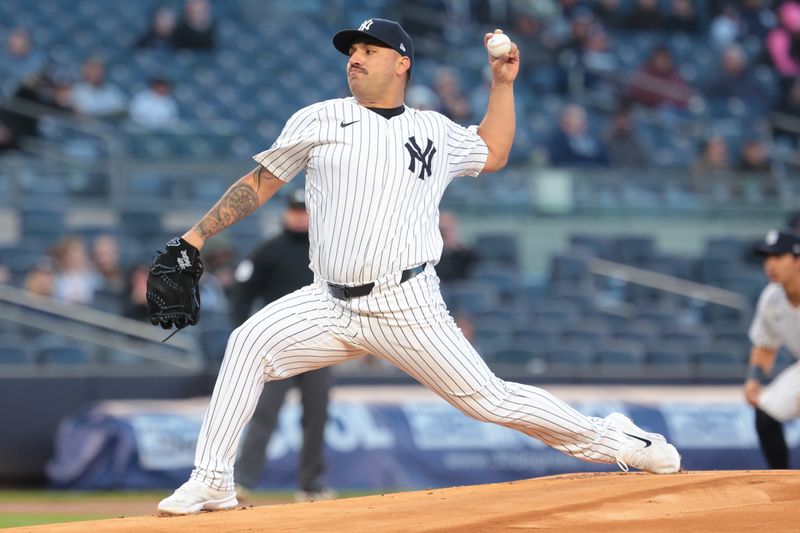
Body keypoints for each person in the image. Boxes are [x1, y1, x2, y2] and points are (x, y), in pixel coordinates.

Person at [154, 18, 680, 516]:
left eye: (368, 51)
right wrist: (195, 238)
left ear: (402, 63)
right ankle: (213, 479)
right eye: (351, 53)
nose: (354, 59)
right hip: (328, 300)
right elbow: (260, 182)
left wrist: (502, 84)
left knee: (491, 401)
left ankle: (618, 439)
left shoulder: (433, 130)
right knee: (248, 345)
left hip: (407, 304)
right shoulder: (318, 119)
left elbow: (493, 152)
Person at [231, 189, 334, 502]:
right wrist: (242, 335)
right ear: (286, 213)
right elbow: (242, 295)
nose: (300, 216)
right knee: (264, 415)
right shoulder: (268, 251)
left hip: (320, 343)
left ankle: (311, 485)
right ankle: (242, 482)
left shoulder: (326, 250)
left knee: (316, 417)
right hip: (279, 346)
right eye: (295, 210)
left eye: (304, 211)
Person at [744, 229, 800, 469]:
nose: (770, 264)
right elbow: (765, 346)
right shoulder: (771, 298)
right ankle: (784, 483)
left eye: (778, 257)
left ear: (797, 259)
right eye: (767, 258)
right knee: (766, 414)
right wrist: (754, 379)